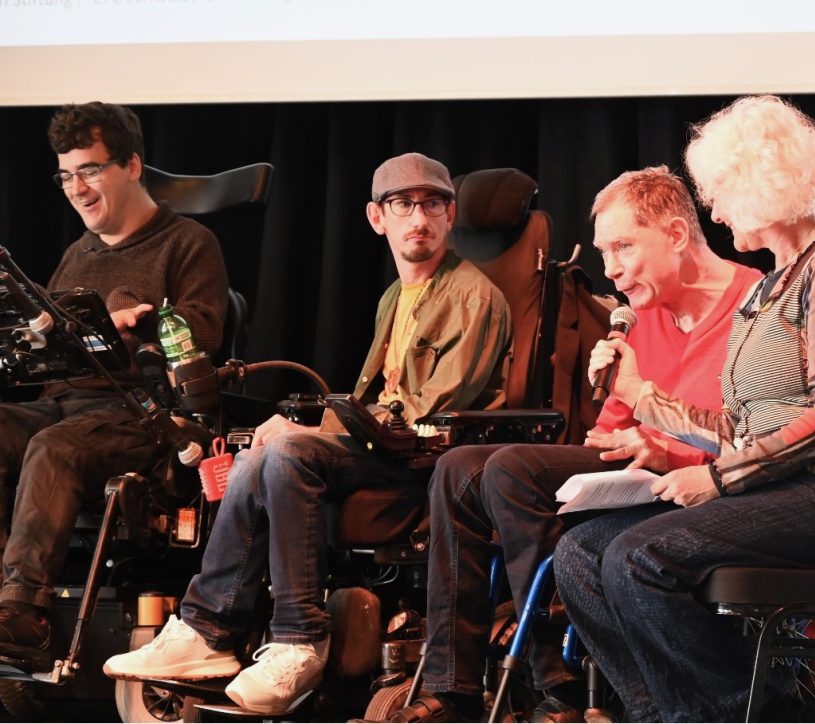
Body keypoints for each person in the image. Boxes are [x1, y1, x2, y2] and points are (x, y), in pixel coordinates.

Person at [104, 152, 512, 716]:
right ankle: (208, 633)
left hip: (425, 460)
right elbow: (374, 401)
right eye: (403, 205)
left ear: (450, 215)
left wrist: (307, 425)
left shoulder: (473, 296)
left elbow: (425, 409)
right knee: (256, 454)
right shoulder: (396, 296)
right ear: (378, 218)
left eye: (432, 204)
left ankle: (300, 639)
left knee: (288, 447)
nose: (418, 217)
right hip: (380, 448)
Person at [553, 95, 815, 722]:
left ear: (758, 187)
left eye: (719, 193)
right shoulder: (776, 281)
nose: (713, 211)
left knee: (641, 558)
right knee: (581, 556)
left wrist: (718, 477)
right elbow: (747, 428)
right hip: (788, 488)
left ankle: (770, 714)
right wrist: (640, 395)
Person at [389, 166, 762, 723]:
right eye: (606, 250)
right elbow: (610, 428)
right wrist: (616, 424)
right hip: (633, 470)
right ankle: (453, 684)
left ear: (678, 236)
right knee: (458, 467)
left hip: (707, 482)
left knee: (512, 469)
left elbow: (761, 437)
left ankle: (554, 676)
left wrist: (665, 446)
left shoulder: (758, 307)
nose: (609, 269)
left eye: (623, 248)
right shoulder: (641, 314)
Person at [0, 102, 228, 664]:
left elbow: (201, 333)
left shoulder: (188, 243)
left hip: (143, 415)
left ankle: (23, 615)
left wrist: (140, 326)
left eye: (90, 170)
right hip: (65, 405)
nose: (76, 187)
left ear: (131, 165)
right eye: (66, 174)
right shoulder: (75, 256)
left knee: (55, 448)